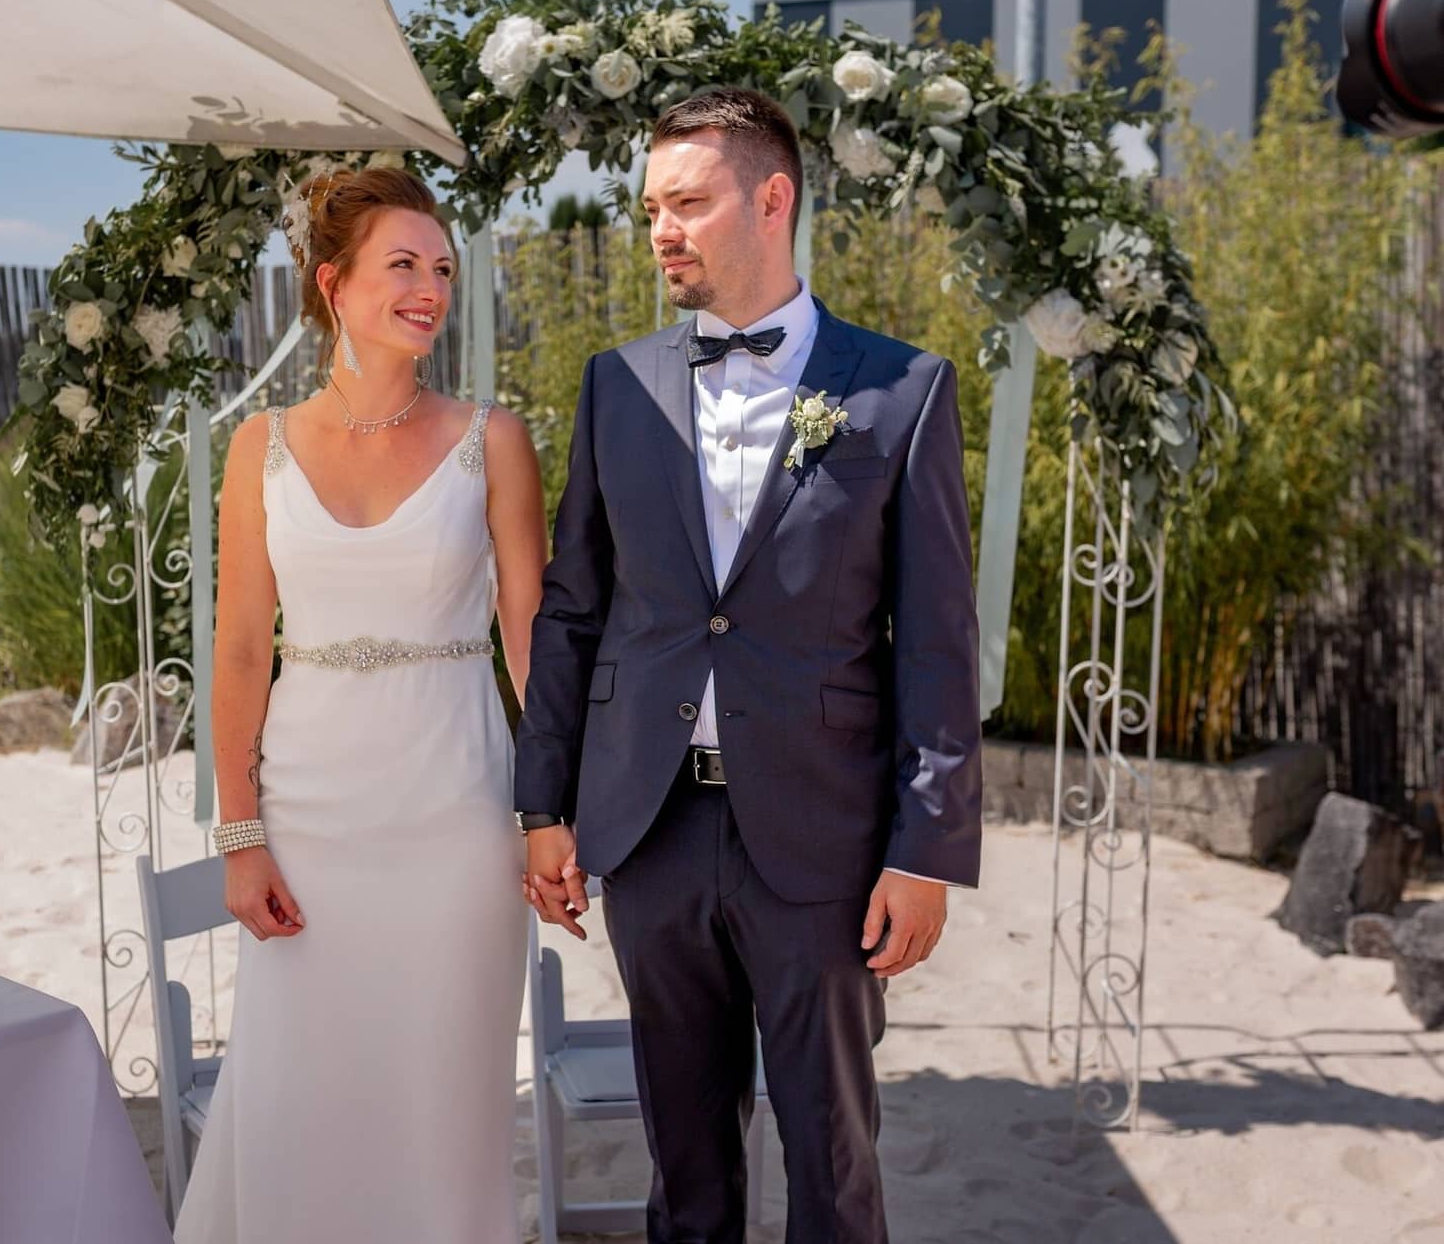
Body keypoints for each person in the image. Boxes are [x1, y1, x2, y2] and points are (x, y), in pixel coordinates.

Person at [517, 86, 984, 1244]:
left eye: (687, 203)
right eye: (649, 209)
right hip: (652, 828)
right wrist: (544, 805)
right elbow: (575, 610)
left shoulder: (901, 392)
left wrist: (926, 850)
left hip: (822, 840)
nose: (660, 230)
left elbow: (936, 639)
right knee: (683, 1163)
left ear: (771, 199)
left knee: (834, 1158)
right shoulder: (613, 384)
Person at [173, 163, 549, 1243]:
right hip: (307, 822)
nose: (429, 288)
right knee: (300, 1093)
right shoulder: (262, 448)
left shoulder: (497, 443)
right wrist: (239, 836)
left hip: (457, 815)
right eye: (403, 266)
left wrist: (548, 813)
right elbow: (240, 651)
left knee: (446, 1101)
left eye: (441, 268)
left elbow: (530, 643)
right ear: (334, 284)